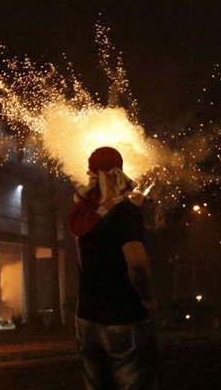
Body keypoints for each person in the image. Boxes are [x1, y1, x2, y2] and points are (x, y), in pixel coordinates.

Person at [69, 146, 159, 390]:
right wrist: (148, 299)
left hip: (87, 316)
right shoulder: (125, 212)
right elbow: (137, 262)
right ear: (119, 171)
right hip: (123, 314)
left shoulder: (82, 214)